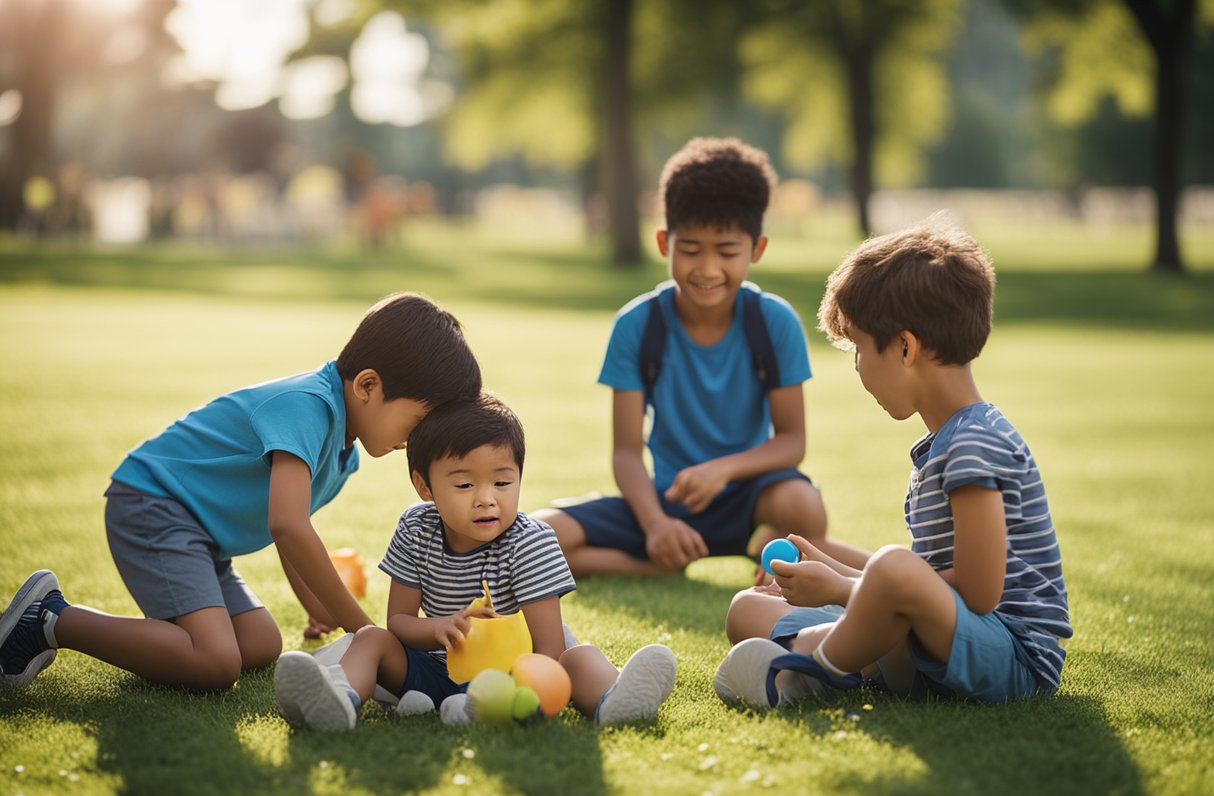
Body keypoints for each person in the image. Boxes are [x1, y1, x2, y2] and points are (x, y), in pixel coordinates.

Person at [0, 293, 481, 691]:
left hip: (202, 538)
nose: (416, 441)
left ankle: (173, 640)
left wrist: (316, 606)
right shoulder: (308, 408)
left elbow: (292, 525)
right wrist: (362, 628)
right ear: (368, 386)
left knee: (259, 643)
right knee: (216, 664)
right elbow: (288, 526)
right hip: (155, 505)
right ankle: (51, 618)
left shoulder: (343, 450)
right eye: (418, 422)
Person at [713, 219, 1072, 708]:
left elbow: (979, 591)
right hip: (937, 642)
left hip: (1009, 656)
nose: (858, 365)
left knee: (893, 567)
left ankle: (809, 670)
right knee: (747, 610)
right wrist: (827, 566)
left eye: (859, 347)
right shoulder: (944, 441)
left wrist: (841, 588)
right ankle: (834, 658)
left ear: (904, 347)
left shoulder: (974, 444)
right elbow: (920, 579)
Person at [535, 137, 865, 578]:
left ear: (757, 249)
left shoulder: (773, 322)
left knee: (804, 506)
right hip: (667, 502)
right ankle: (660, 558)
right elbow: (627, 454)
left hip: (750, 496)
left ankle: (761, 543)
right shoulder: (637, 325)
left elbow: (792, 442)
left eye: (727, 252)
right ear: (663, 243)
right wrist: (654, 523)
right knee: (541, 537)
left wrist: (722, 471)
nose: (707, 269)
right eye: (689, 249)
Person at [273, 393, 678, 730]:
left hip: (520, 672)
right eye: (465, 484)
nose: (487, 498)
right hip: (437, 669)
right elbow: (399, 623)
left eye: (503, 483)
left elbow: (549, 647)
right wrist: (439, 629)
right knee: (371, 639)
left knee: (579, 657)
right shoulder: (417, 529)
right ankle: (338, 701)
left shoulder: (530, 542)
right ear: (424, 486)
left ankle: (613, 700)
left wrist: (513, 688)